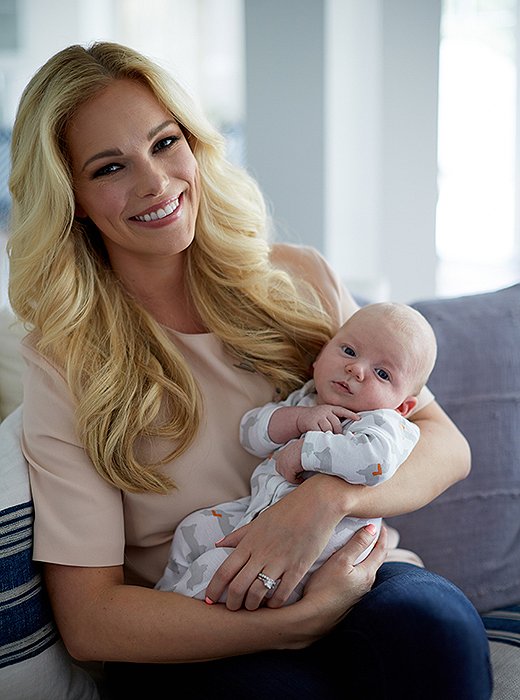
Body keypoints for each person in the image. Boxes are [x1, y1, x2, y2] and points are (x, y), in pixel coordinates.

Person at [6, 41, 492, 699]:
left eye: (164, 142)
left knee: (435, 631)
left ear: (195, 143)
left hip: (347, 569)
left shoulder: (297, 278)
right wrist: (295, 624)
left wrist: (327, 500)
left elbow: (444, 442)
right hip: (196, 615)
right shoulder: (67, 359)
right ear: (75, 200)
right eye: (110, 166)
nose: (155, 183)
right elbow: (92, 621)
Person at [157, 302, 436, 605]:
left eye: (381, 373)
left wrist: (306, 450)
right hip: (256, 513)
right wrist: (297, 419)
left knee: (214, 568)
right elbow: (250, 433)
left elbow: (374, 463)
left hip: (312, 557)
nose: (356, 369)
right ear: (320, 356)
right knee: (193, 529)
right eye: (349, 352)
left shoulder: (383, 423)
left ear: (403, 407)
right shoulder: (305, 400)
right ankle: (166, 595)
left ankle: (169, 619)